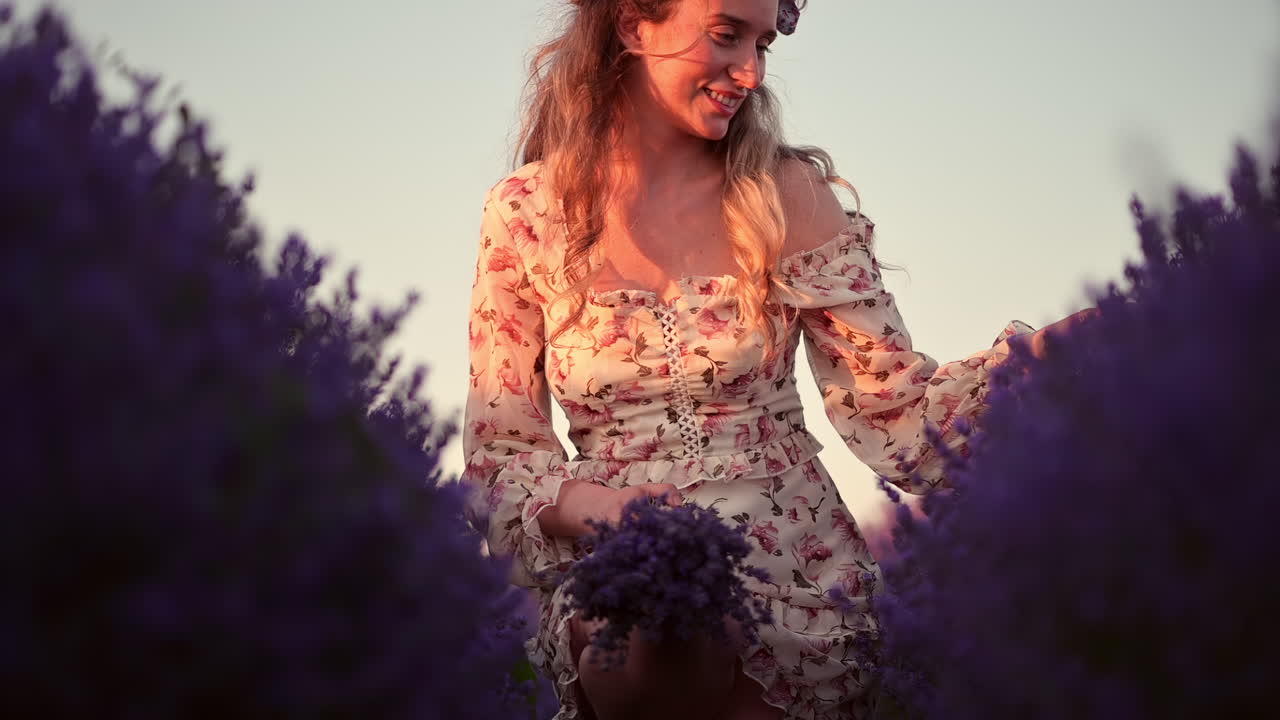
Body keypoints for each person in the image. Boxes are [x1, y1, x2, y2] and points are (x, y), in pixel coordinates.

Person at [463, 1, 1091, 718]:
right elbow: (502, 455)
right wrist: (609, 513)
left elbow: (899, 419)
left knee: (698, 621)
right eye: (728, 35)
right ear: (634, 26)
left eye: (764, 44)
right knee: (661, 615)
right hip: (619, 567)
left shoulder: (787, 195)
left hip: (795, 577)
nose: (752, 71)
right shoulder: (525, 214)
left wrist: (1055, 355)